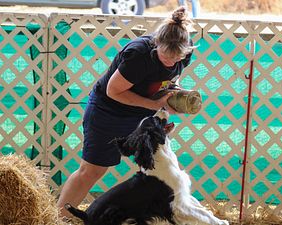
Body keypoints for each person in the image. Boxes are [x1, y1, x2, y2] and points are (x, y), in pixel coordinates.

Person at [57, 6, 194, 219]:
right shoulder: (138, 55)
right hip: (109, 111)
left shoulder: (183, 52)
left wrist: (174, 95)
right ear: (157, 43)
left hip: (140, 112)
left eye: (176, 59)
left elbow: (169, 78)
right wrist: (153, 106)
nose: (171, 62)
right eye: (166, 56)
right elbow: (113, 91)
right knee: (92, 170)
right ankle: (58, 218)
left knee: (162, 166)